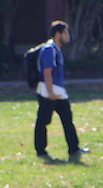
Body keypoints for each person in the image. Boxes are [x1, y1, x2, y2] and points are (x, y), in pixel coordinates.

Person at [34, 20, 88, 160]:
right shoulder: (49, 49)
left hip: (58, 91)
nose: (68, 35)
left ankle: (74, 148)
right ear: (58, 34)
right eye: (65, 32)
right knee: (43, 121)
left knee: (67, 119)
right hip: (49, 91)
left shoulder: (56, 49)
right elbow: (47, 72)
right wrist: (51, 93)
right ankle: (41, 151)